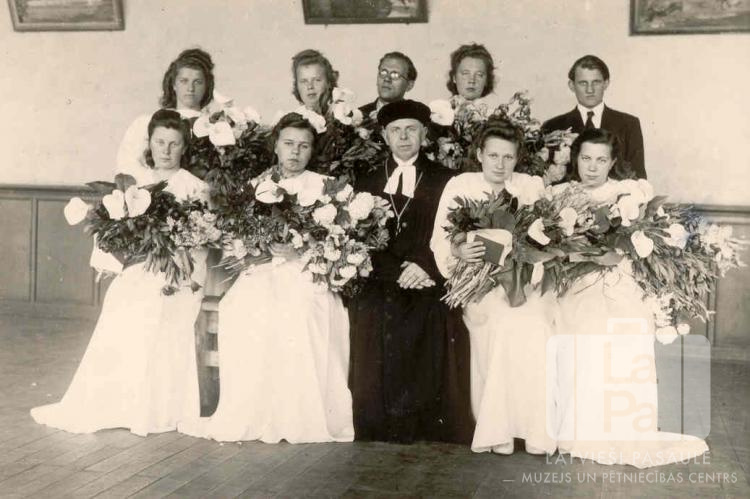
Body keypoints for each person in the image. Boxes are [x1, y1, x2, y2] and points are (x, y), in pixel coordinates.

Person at [178, 112, 354, 444]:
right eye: (288, 143)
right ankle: (254, 410)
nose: (295, 152)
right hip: (262, 269)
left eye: (304, 145)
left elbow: (339, 241)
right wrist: (255, 248)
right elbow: (237, 241)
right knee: (242, 308)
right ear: (275, 146)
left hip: (307, 271)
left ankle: (299, 415)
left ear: (312, 150)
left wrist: (301, 249)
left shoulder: (325, 187)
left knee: (301, 309)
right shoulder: (256, 185)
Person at [31, 110, 209, 436]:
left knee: (155, 304)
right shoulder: (133, 184)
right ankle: (116, 401)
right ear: (149, 143)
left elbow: (202, 238)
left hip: (179, 274)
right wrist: (136, 248)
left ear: (185, 147)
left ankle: (152, 407)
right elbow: (119, 237)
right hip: (140, 265)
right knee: (121, 300)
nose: (166, 150)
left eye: (174, 143)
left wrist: (172, 251)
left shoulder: (196, 187)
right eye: (160, 142)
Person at [551, 128, 707, 467]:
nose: (592, 167)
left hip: (619, 277)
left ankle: (622, 429)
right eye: (586, 158)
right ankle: (579, 431)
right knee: (581, 334)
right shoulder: (560, 195)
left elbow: (633, 247)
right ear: (576, 159)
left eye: (601, 160)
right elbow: (552, 248)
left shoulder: (628, 194)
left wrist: (611, 255)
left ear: (612, 162)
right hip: (574, 281)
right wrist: (575, 254)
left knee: (626, 331)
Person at [349, 99, 474, 444]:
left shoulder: (446, 179)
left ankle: (426, 424)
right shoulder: (367, 179)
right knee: (374, 312)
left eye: (411, 130)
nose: (403, 137)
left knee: (432, 315)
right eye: (396, 130)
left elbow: (455, 231)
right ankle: (381, 423)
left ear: (424, 134)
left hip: (430, 274)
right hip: (382, 278)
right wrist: (395, 271)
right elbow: (358, 238)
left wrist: (425, 265)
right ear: (384, 136)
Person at [430, 118, 556, 455]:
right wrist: (459, 250)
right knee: (500, 324)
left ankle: (536, 430)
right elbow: (440, 239)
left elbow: (545, 239)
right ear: (479, 155)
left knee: (537, 325)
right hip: (479, 285)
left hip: (523, 283)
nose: (500, 164)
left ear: (517, 158)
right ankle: (498, 428)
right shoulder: (461, 185)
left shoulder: (528, 187)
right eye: (493, 155)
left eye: (508, 157)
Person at [542, 55, 646, 179]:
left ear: (606, 83)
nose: (590, 90)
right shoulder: (553, 126)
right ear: (572, 85)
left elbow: (638, 178)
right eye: (583, 83)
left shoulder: (629, 125)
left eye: (596, 82)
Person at [116, 48, 215, 178]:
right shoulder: (145, 123)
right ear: (173, 84)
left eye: (198, 82)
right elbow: (126, 165)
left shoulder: (217, 127)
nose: (190, 88)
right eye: (184, 81)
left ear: (207, 86)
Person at [359, 51, 417, 119]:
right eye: (383, 72)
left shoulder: (417, 117)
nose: (387, 79)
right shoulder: (358, 116)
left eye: (395, 74)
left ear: (409, 85)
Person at [445, 43, 499, 108]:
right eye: (465, 73)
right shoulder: (439, 111)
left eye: (479, 75)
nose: (472, 80)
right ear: (454, 78)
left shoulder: (493, 112)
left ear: (486, 80)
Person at [291, 49, 339, 115]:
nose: (310, 86)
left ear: (328, 83)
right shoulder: (291, 119)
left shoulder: (342, 115)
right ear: (297, 86)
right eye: (304, 81)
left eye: (317, 80)